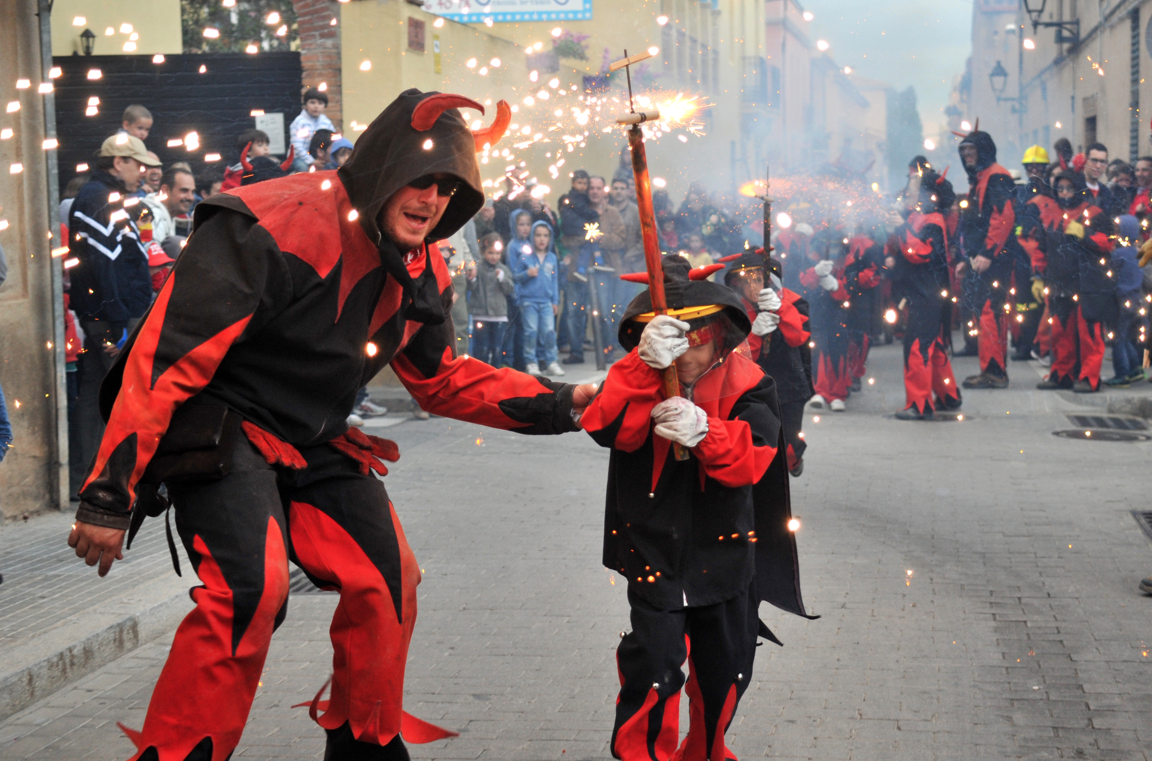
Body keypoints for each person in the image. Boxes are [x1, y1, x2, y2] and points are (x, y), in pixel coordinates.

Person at [66, 88, 596, 761]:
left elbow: (441, 379)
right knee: (251, 589)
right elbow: (161, 362)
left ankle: (365, 746)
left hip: (311, 435)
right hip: (216, 419)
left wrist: (567, 401)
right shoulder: (270, 221)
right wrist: (108, 497)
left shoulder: (423, 265)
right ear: (381, 166)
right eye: (418, 178)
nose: (430, 199)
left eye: (447, 189)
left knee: (390, 578)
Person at [580, 255, 813, 761]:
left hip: (726, 554)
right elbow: (604, 425)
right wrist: (643, 367)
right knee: (654, 666)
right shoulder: (635, 373)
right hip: (653, 551)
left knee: (725, 669)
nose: (684, 349)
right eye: (672, 337)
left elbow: (754, 455)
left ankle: (706, 752)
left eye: (696, 336)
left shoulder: (749, 382)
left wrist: (707, 431)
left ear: (719, 334)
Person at [68, 134, 160, 497]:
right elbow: (107, 269)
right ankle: (117, 481)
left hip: (106, 313)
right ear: (118, 161)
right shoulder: (98, 198)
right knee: (126, 395)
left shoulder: (102, 196)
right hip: (111, 317)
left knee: (95, 392)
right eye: (136, 164)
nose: (142, 172)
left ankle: (87, 477)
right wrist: (119, 327)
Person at [722, 250, 813, 476]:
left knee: (790, 446)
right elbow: (737, 357)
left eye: (757, 278)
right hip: (752, 387)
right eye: (745, 280)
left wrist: (780, 308)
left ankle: (793, 461)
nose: (751, 285)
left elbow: (799, 337)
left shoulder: (794, 301)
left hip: (790, 385)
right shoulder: (735, 310)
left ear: (769, 280)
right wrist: (753, 333)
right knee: (761, 445)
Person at [886, 168, 962, 420]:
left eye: (916, 184)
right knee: (932, 345)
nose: (911, 187)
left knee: (918, 347)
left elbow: (919, 252)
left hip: (926, 294)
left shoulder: (933, 221)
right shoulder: (922, 216)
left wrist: (901, 229)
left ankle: (920, 404)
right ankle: (949, 395)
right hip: (925, 293)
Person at [1037, 171, 1113, 393]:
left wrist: (1084, 233)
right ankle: (1061, 374)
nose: (1064, 193)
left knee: (1090, 334)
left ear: (1078, 189)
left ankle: (1090, 378)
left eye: (1069, 188)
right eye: (1060, 188)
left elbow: (1109, 242)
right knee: (1060, 333)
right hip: (1060, 282)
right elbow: (1040, 248)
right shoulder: (1050, 215)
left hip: (1088, 283)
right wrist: (1037, 276)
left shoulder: (1095, 213)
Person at [956, 127, 1016, 389]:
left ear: (984, 151)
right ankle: (993, 369)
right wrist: (966, 257)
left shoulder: (996, 176)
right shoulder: (981, 178)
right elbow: (974, 224)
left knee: (990, 313)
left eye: (972, 150)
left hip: (994, 260)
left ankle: (994, 371)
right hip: (983, 258)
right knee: (988, 312)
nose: (968, 155)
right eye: (964, 151)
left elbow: (1002, 217)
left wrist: (987, 253)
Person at [1011, 146, 1056, 361]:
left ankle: (1040, 346)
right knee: (1023, 303)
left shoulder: (1052, 192)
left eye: (1039, 167)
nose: (1035, 171)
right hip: (1022, 257)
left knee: (1042, 304)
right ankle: (1024, 343)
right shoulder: (1019, 193)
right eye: (1031, 167)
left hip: (1044, 255)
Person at [513, 220, 564, 376]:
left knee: (549, 331)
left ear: (550, 238)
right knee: (531, 332)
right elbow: (515, 277)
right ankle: (531, 362)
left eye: (545, 236)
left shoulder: (552, 258)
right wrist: (527, 274)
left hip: (547, 301)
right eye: (538, 235)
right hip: (528, 301)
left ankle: (551, 362)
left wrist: (555, 301)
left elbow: (555, 281)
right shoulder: (524, 257)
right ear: (532, 237)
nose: (542, 239)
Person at [1104, 215, 1146, 387]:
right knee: (1126, 335)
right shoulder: (1138, 252)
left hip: (1122, 300)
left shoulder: (1119, 254)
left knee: (1118, 338)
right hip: (1137, 300)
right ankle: (1135, 368)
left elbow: (1109, 272)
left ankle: (1122, 374)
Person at [468, 232, 514, 365]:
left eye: (497, 253)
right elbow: (472, 287)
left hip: (499, 315)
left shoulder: (503, 269)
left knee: (497, 348)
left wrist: (502, 279)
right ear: (483, 252)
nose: (494, 257)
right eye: (490, 253)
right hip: (481, 314)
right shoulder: (478, 268)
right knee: (481, 348)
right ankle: (480, 373)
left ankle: (495, 374)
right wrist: (473, 278)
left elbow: (509, 289)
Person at [141, 166, 195, 248]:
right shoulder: (153, 217)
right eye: (184, 190)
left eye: (193, 192)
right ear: (165, 190)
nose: (190, 197)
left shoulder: (167, 213)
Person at [289, 87, 335, 173]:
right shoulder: (299, 122)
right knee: (303, 168)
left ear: (325, 106)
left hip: (320, 158)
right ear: (305, 105)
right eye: (312, 102)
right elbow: (296, 146)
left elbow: (332, 142)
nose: (316, 106)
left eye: (320, 103)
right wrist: (312, 161)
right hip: (299, 158)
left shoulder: (327, 122)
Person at [1080, 142, 1121, 217]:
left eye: (1102, 162)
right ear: (1085, 161)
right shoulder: (1075, 187)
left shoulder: (1106, 192)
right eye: (1094, 160)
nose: (1098, 166)